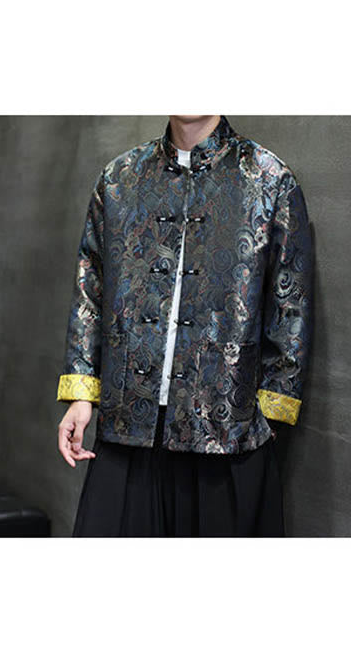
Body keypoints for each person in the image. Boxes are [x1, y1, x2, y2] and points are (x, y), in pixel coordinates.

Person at [56, 115, 313, 536]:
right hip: (128, 425)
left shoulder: (269, 180)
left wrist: (264, 421)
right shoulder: (119, 179)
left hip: (225, 433)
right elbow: (91, 289)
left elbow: (292, 308)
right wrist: (82, 395)